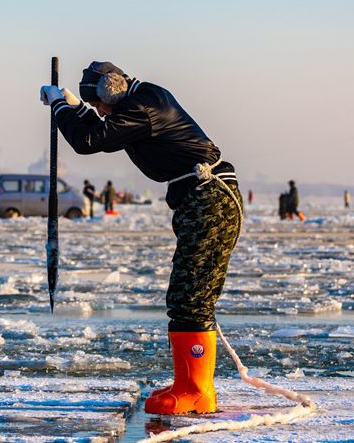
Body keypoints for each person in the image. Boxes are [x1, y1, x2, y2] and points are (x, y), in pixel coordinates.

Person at [40, 61, 242, 415]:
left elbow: (90, 141)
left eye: (101, 105)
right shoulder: (140, 101)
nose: (101, 112)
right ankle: (192, 383)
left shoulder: (143, 107)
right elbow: (103, 131)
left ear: (111, 90)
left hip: (210, 198)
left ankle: (196, 391)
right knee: (188, 292)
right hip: (200, 198)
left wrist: (61, 108)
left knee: (190, 294)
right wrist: (73, 107)